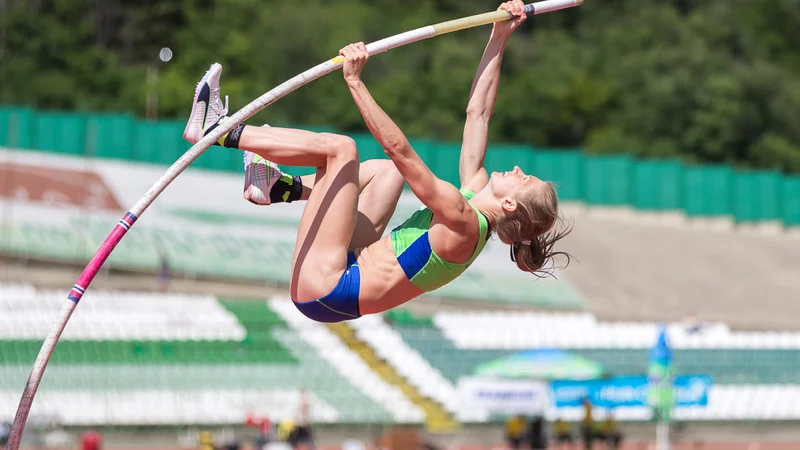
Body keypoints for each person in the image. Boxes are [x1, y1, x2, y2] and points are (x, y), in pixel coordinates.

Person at [182, 0, 571, 323]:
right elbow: (478, 114)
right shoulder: (473, 196)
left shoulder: (463, 222)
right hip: (342, 273)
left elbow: (400, 152)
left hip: (327, 287)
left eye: (524, 179)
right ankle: (279, 186)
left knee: (342, 150)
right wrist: (498, 38)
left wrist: (355, 82)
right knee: (384, 176)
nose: (518, 170)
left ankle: (219, 130)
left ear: (509, 204)